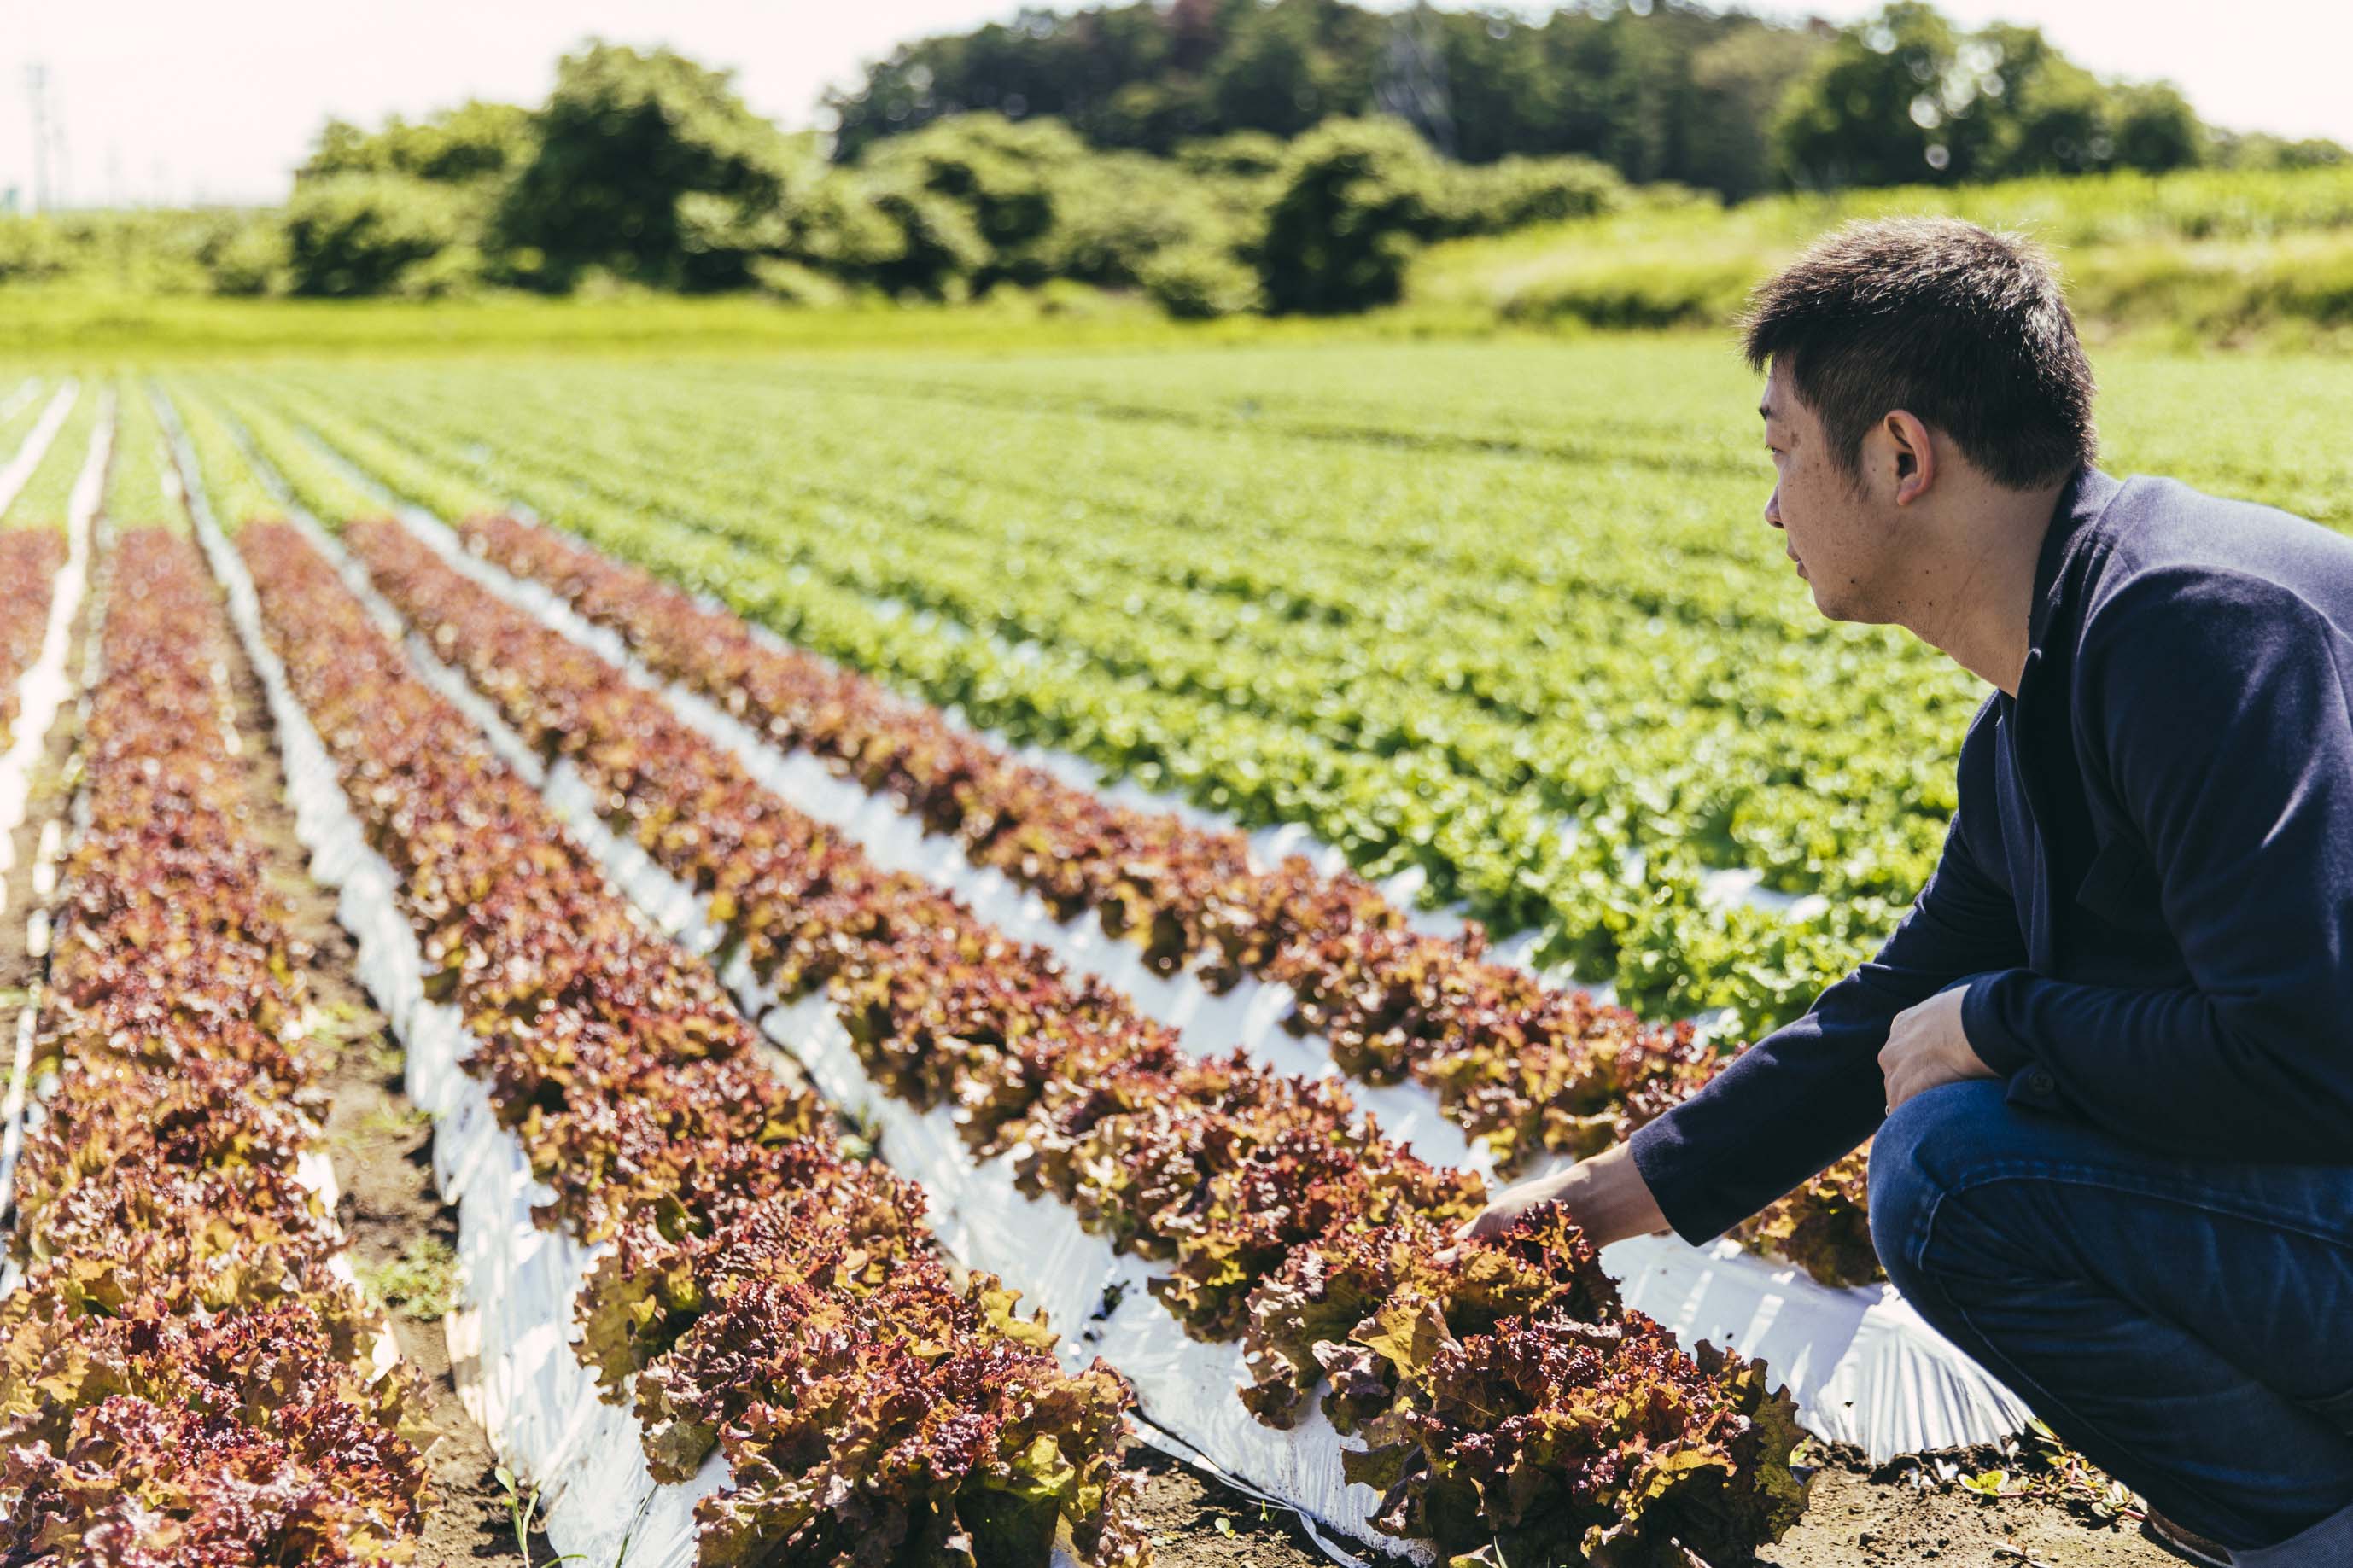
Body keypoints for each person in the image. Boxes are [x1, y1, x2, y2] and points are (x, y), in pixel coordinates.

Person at [1463, 217, 2353, 1568]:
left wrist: (2000, 1021)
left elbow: (2303, 1052)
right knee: (1955, 1132)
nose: (1771, 509)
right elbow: (1885, 1010)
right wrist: (1589, 1207)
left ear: (1898, 457)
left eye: (1781, 450)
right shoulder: (2048, 696)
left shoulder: (2191, 629)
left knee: (1950, 1174)